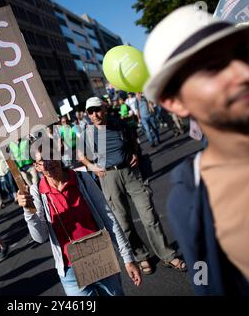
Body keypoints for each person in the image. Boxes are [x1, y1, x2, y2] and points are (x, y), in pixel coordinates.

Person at [143, 5, 249, 295]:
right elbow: (203, 278)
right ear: (174, 102)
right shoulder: (190, 198)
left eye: (243, 53)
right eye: (213, 67)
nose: (244, 71)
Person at [18, 139, 141, 296]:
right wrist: (29, 212)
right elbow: (40, 237)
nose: (49, 163)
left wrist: (128, 258)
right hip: (71, 273)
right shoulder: (37, 192)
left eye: (51, 155)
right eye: (42, 160)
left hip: (101, 258)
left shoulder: (82, 179)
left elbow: (108, 218)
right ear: (36, 166)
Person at [79, 97, 186, 275]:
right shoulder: (87, 134)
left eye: (97, 110)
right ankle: (141, 257)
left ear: (104, 109)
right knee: (124, 222)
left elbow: (132, 141)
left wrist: (135, 152)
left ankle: (167, 255)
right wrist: (92, 167)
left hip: (131, 173)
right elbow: (81, 155)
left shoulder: (119, 124)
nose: (94, 115)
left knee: (149, 215)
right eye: (90, 112)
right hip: (109, 177)